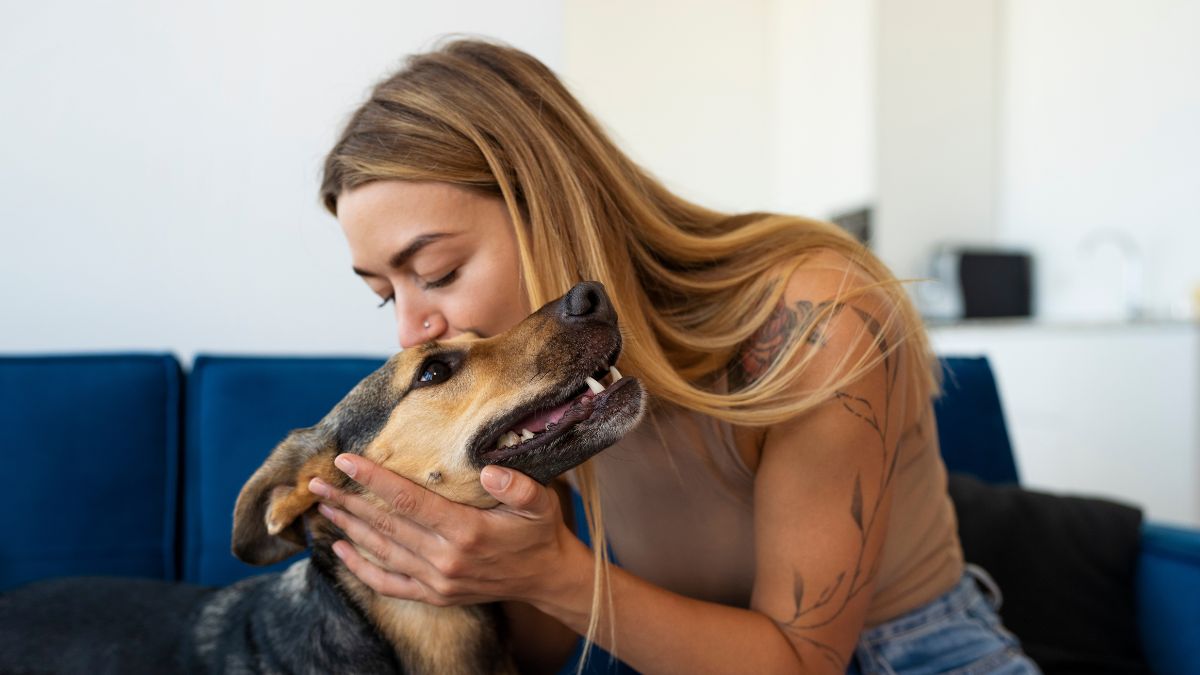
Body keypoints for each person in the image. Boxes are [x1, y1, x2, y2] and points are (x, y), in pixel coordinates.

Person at [306, 38, 1039, 674]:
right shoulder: (554, 384)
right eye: (384, 294)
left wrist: (551, 572)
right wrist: (466, 558)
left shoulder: (815, 312)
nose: (412, 328)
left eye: (436, 273)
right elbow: (543, 652)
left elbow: (800, 661)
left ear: (551, 206)